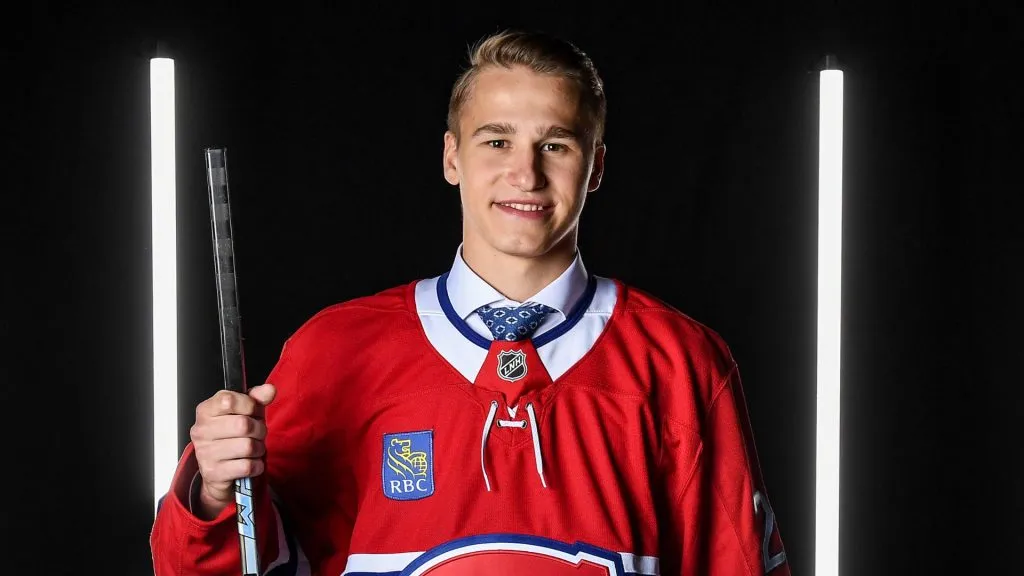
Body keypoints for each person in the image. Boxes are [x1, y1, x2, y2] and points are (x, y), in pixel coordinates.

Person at [150, 29, 791, 576]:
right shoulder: (334, 348)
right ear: (452, 156)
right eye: (496, 141)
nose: (526, 174)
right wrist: (213, 491)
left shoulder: (681, 362)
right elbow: (228, 563)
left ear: (595, 165)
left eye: (556, 145)